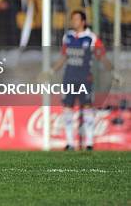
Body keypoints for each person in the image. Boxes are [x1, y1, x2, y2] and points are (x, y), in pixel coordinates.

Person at [49, 10, 116, 151]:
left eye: (76, 19)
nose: (74, 22)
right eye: (72, 19)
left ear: (83, 21)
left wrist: (113, 72)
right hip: (69, 78)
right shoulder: (67, 37)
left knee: (87, 107)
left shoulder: (91, 38)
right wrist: (51, 71)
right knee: (67, 108)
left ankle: (89, 143)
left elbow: (101, 56)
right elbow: (63, 57)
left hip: (85, 79)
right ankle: (69, 143)